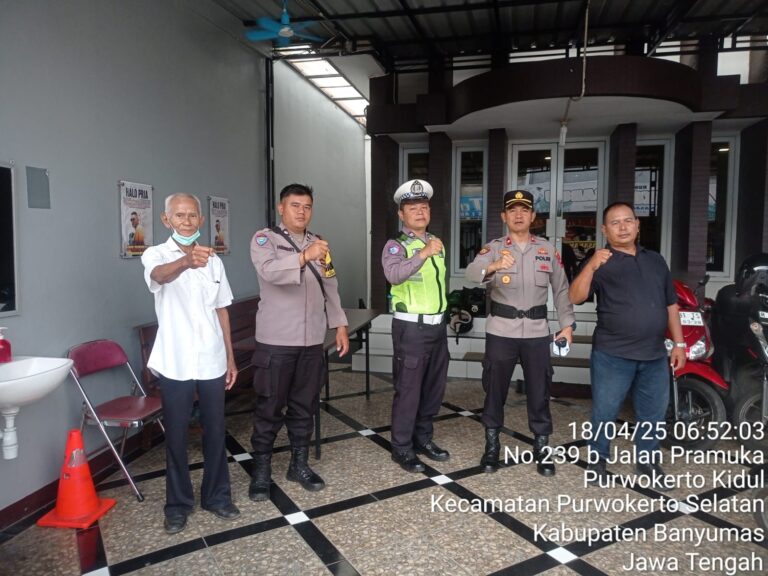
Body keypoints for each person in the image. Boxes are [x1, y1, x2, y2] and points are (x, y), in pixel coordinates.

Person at [141, 193, 240, 535]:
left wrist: (229, 356)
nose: (186, 221)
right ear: (166, 220)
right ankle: (178, 505)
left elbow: (221, 308)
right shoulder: (157, 254)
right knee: (177, 436)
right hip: (175, 361)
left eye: (191, 216)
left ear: (200, 220)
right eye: (178, 216)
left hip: (211, 358)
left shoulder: (214, 260)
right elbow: (158, 276)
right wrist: (186, 262)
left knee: (216, 430)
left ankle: (217, 496)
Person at [569, 201, 685, 489]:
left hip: (655, 354)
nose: (623, 227)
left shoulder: (656, 260)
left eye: (628, 221)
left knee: (652, 413)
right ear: (605, 229)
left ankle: (647, 462)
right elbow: (575, 296)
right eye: (615, 222)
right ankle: (598, 461)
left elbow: (671, 304)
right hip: (612, 354)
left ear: (637, 225)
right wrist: (592, 265)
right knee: (605, 411)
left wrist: (679, 344)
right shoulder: (601, 260)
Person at [249, 183, 349, 501]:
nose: (301, 211)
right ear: (281, 208)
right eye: (295, 205)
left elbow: (329, 286)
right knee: (269, 407)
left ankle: (299, 465)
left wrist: (340, 325)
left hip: (310, 342)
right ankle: (262, 471)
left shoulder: (319, 245)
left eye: (306, 206)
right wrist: (305, 256)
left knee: (305, 407)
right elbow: (269, 272)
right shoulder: (265, 240)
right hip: (276, 342)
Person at [466, 189, 575, 476]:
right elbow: (470, 274)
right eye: (512, 210)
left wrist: (567, 325)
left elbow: (561, 290)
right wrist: (493, 266)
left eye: (524, 210)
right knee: (494, 390)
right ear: (504, 216)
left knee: (540, 391)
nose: (518, 215)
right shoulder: (493, 248)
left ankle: (542, 447)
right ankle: (492, 446)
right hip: (501, 331)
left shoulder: (547, 250)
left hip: (538, 332)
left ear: (533, 216)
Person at [381, 179, 450, 473]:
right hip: (411, 330)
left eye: (424, 207)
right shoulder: (396, 246)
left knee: (433, 389)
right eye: (412, 208)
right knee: (409, 390)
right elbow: (394, 275)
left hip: (437, 327)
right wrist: (422, 254)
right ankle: (402, 447)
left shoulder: (436, 242)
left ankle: (423, 439)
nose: (420, 212)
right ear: (401, 214)